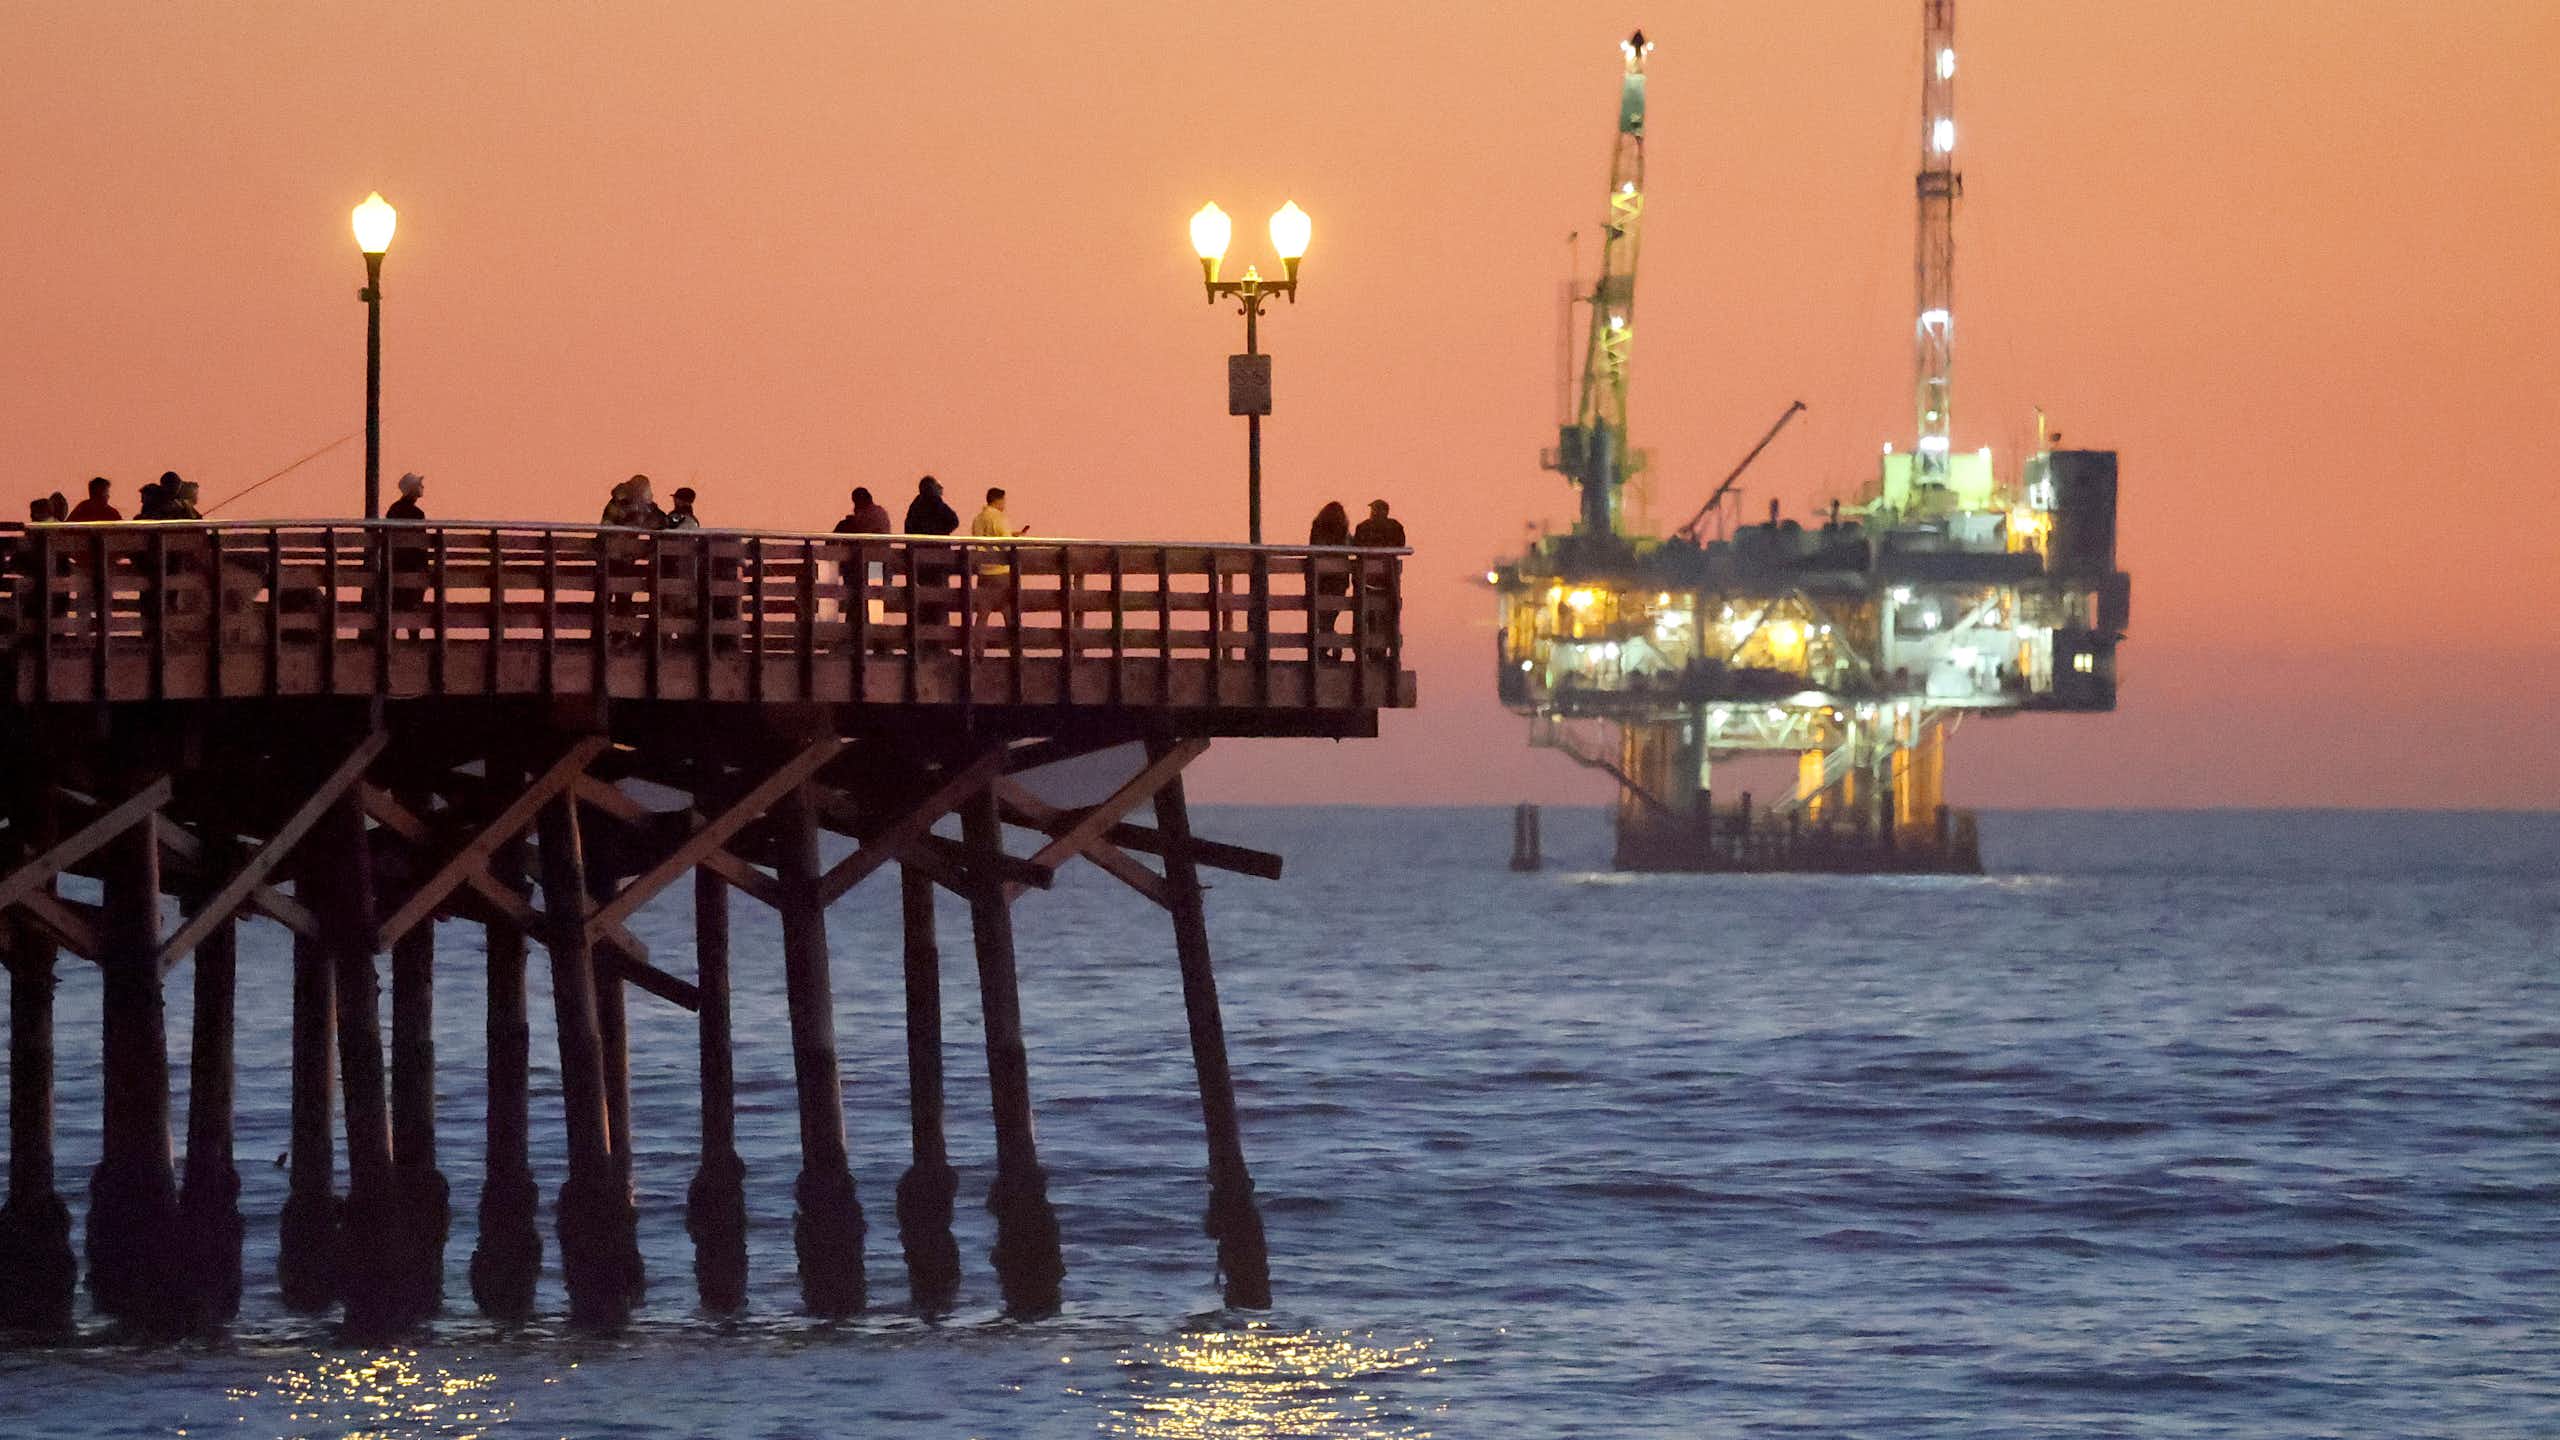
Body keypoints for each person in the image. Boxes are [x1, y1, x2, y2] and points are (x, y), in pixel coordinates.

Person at [384, 473, 428, 637]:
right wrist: (425, 567)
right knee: (413, 605)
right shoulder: (417, 514)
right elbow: (421, 544)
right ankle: (414, 638)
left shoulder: (393, 510)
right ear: (411, 489)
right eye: (419, 484)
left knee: (396, 605)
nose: (422, 487)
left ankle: (392, 637)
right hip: (413, 567)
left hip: (396, 565)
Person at [1309, 501, 1351, 658]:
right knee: (1331, 614)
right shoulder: (1342, 528)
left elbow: (1313, 546)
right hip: (1339, 578)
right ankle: (1328, 646)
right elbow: (1350, 546)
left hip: (1321, 576)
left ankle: (1325, 647)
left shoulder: (1318, 526)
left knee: (1321, 613)